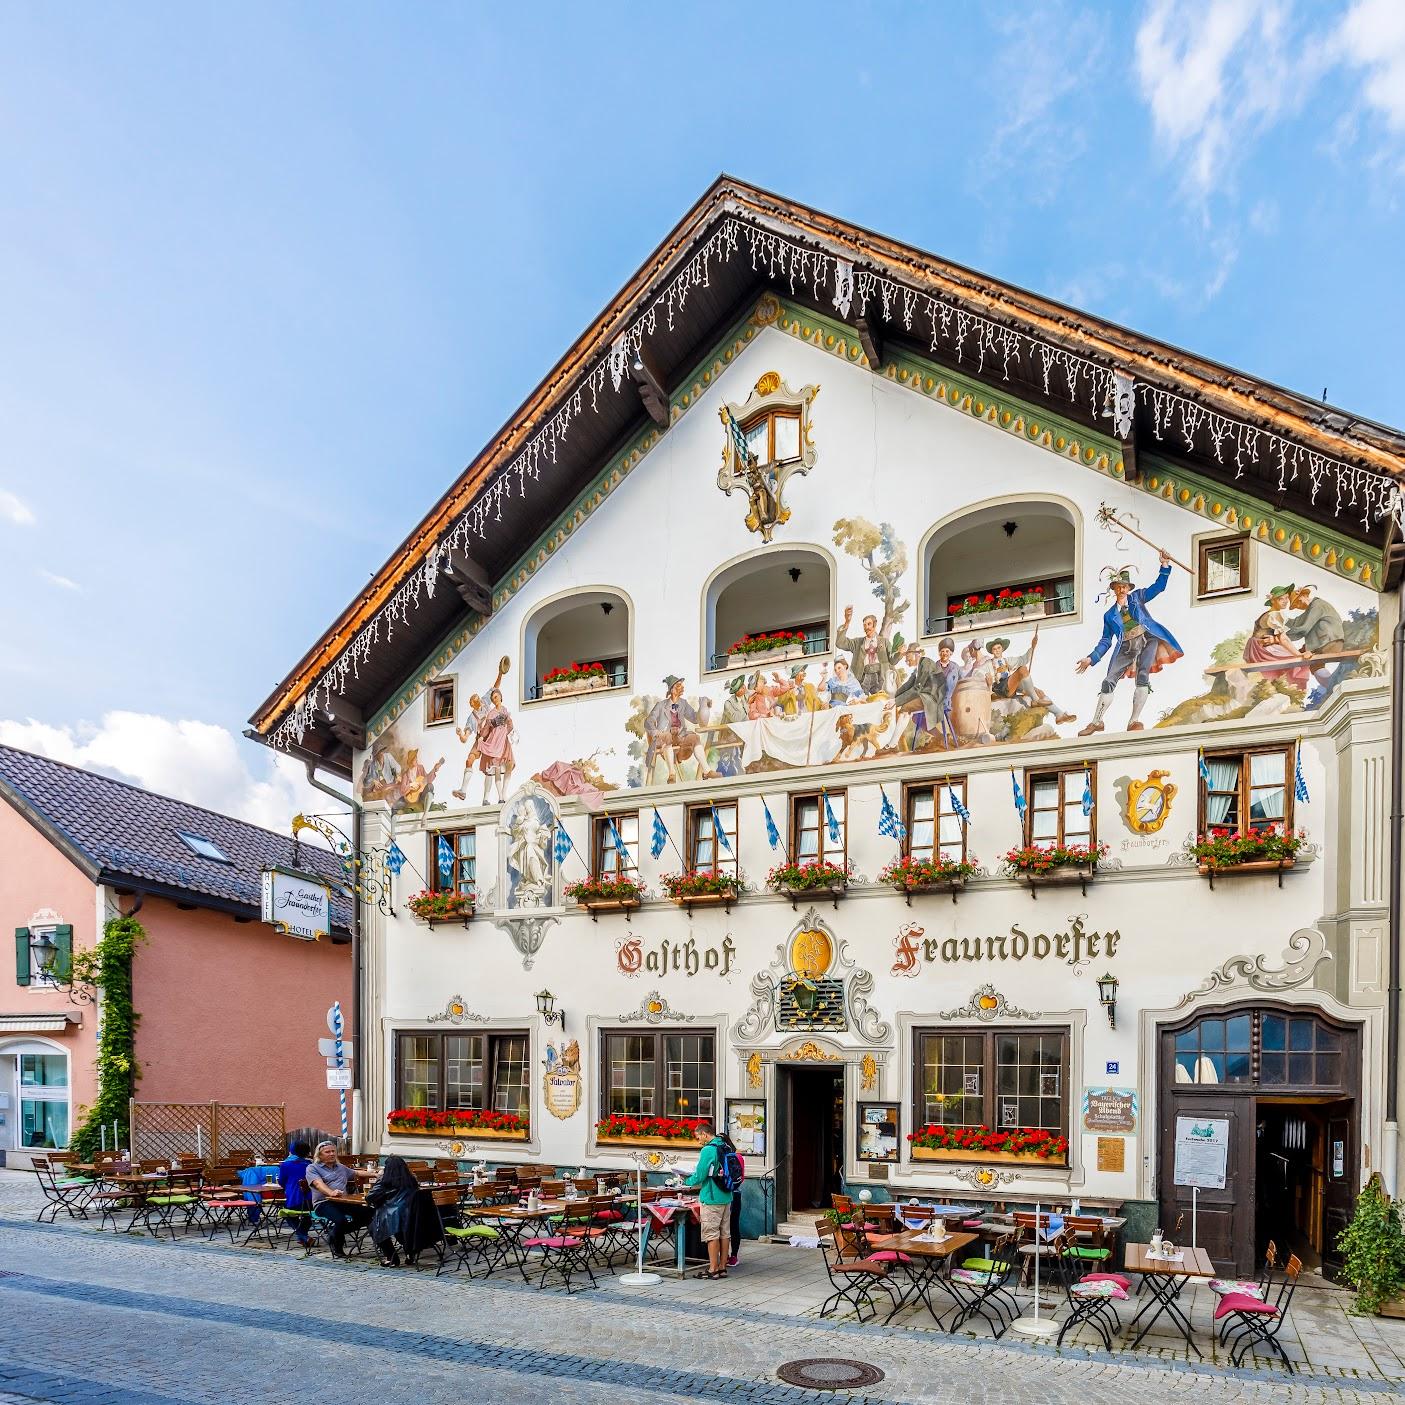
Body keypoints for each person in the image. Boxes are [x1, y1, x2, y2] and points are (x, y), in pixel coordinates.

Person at [1075, 553, 1183, 734]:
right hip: (1125, 646)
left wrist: (1164, 566)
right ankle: (1097, 722)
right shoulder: (1109, 615)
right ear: (1114, 590)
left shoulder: (1138, 597)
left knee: (1143, 677)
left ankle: (1134, 721)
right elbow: (1106, 640)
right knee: (1108, 681)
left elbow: (1158, 587)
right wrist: (1091, 658)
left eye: (1124, 586)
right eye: (1119, 587)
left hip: (1147, 639)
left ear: (1128, 588)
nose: (1122, 590)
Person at [683, 1120, 734, 1279]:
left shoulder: (708, 1150)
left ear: (705, 1134)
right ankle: (723, 1267)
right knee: (725, 1233)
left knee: (711, 1234)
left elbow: (700, 1174)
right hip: (726, 1195)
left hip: (712, 1197)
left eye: (698, 1137)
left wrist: (686, 1181)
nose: (698, 1141)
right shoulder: (725, 1145)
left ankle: (713, 1269)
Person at [989, 632, 1076, 724]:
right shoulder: (988, 663)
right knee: (1022, 669)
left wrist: (1032, 647)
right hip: (1000, 688)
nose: (997, 650)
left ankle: (1059, 715)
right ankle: (1036, 700)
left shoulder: (1008, 660)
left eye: (998, 648)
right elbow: (982, 676)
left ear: (1002, 649)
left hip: (1011, 684)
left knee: (1039, 692)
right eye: (994, 649)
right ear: (992, 651)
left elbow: (1024, 659)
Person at [305, 1140, 369, 1259]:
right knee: (341, 1220)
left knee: (369, 1212)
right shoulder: (312, 1168)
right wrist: (331, 1192)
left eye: (333, 1151)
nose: (331, 1154)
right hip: (323, 1203)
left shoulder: (340, 1167)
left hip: (343, 1201)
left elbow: (356, 1173)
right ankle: (337, 1247)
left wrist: (375, 1174)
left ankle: (334, 1233)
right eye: (327, 1152)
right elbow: (318, 1184)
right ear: (319, 1155)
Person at [1244, 586, 1312, 690]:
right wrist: (1299, 654)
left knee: (1294, 657)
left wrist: (1275, 640)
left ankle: (1290, 687)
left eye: (1286, 598)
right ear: (1273, 600)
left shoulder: (1271, 614)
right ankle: (1295, 688)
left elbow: (1279, 638)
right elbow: (1283, 639)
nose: (1285, 601)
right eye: (1281, 599)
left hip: (1257, 648)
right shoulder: (1274, 615)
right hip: (1261, 650)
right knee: (1298, 660)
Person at [366, 1155, 421, 1268]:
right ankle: (410, 1254)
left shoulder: (385, 1182)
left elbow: (370, 1197)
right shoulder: (411, 1181)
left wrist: (379, 1179)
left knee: (374, 1227)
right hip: (410, 1215)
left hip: (390, 1214)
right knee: (400, 1230)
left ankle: (391, 1257)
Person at [835, 607, 896, 695]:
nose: (866, 627)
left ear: (874, 625)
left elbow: (893, 660)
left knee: (880, 701)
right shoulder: (857, 643)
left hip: (880, 676)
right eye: (864, 625)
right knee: (862, 702)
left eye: (869, 624)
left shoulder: (884, 642)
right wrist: (847, 622)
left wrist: (900, 653)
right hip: (863, 677)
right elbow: (840, 643)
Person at [277, 1140, 313, 1247]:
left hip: (295, 1201)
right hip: (312, 1202)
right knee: (307, 1216)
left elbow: (281, 1181)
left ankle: (303, 1236)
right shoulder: (310, 1164)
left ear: (292, 1151)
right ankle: (303, 1237)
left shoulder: (286, 1165)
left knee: (287, 1213)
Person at [727, 1139, 746, 1269]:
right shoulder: (739, 1157)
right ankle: (733, 1256)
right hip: (736, 1193)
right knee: (734, 1225)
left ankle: (726, 1256)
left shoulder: (724, 1156)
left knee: (726, 1227)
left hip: (725, 1195)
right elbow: (742, 1177)